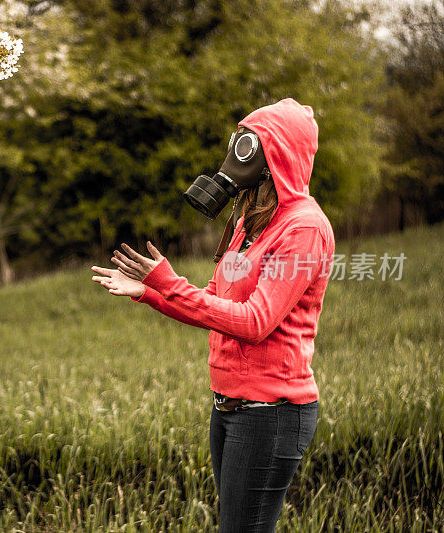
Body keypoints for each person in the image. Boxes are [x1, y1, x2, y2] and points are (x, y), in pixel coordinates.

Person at [91, 98, 335, 532]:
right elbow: (211, 302)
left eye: (250, 145)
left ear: (276, 153)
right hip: (228, 408)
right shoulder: (251, 221)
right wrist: (151, 292)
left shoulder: (304, 228)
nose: (239, 153)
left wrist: (168, 283)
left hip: (270, 413)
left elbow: (254, 321)